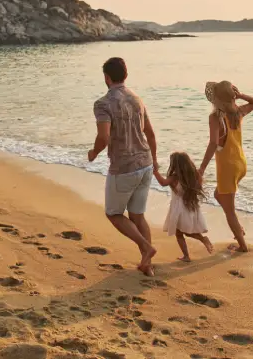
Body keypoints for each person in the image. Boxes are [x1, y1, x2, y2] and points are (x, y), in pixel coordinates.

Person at [87, 57, 159, 276]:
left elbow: (104, 137)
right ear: (125, 75)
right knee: (138, 215)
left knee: (114, 213)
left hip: (124, 166)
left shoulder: (103, 103)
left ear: (107, 78)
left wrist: (94, 152)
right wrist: (154, 162)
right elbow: (151, 133)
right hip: (145, 162)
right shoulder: (137, 99)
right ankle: (147, 265)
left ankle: (146, 248)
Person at [198, 80, 253, 252]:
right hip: (240, 163)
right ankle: (238, 229)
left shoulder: (215, 118)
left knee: (229, 211)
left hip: (227, 168)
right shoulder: (238, 112)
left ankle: (242, 245)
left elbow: (213, 144)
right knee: (219, 195)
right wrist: (240, 96)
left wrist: (201, 168)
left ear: (216, 99)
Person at [154, 151, 214, 262]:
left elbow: (162, 183)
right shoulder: (195, 175)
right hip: (190, 205)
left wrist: (155, 171)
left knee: (182, 232)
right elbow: (197, 188)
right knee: (184, 231)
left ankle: (200, 241)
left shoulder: (174, 177)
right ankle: (187, 255)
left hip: (179, 208)